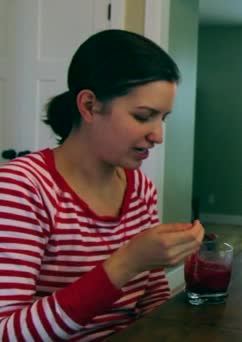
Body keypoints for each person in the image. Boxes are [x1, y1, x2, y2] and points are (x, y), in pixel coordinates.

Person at [0, 29, 204, 340]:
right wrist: (126, 262)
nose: (158, 135)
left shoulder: (140, 189)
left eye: (163, 118)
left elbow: (152, 299)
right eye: (143, 116)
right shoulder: (22, 188)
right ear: (90, 105)